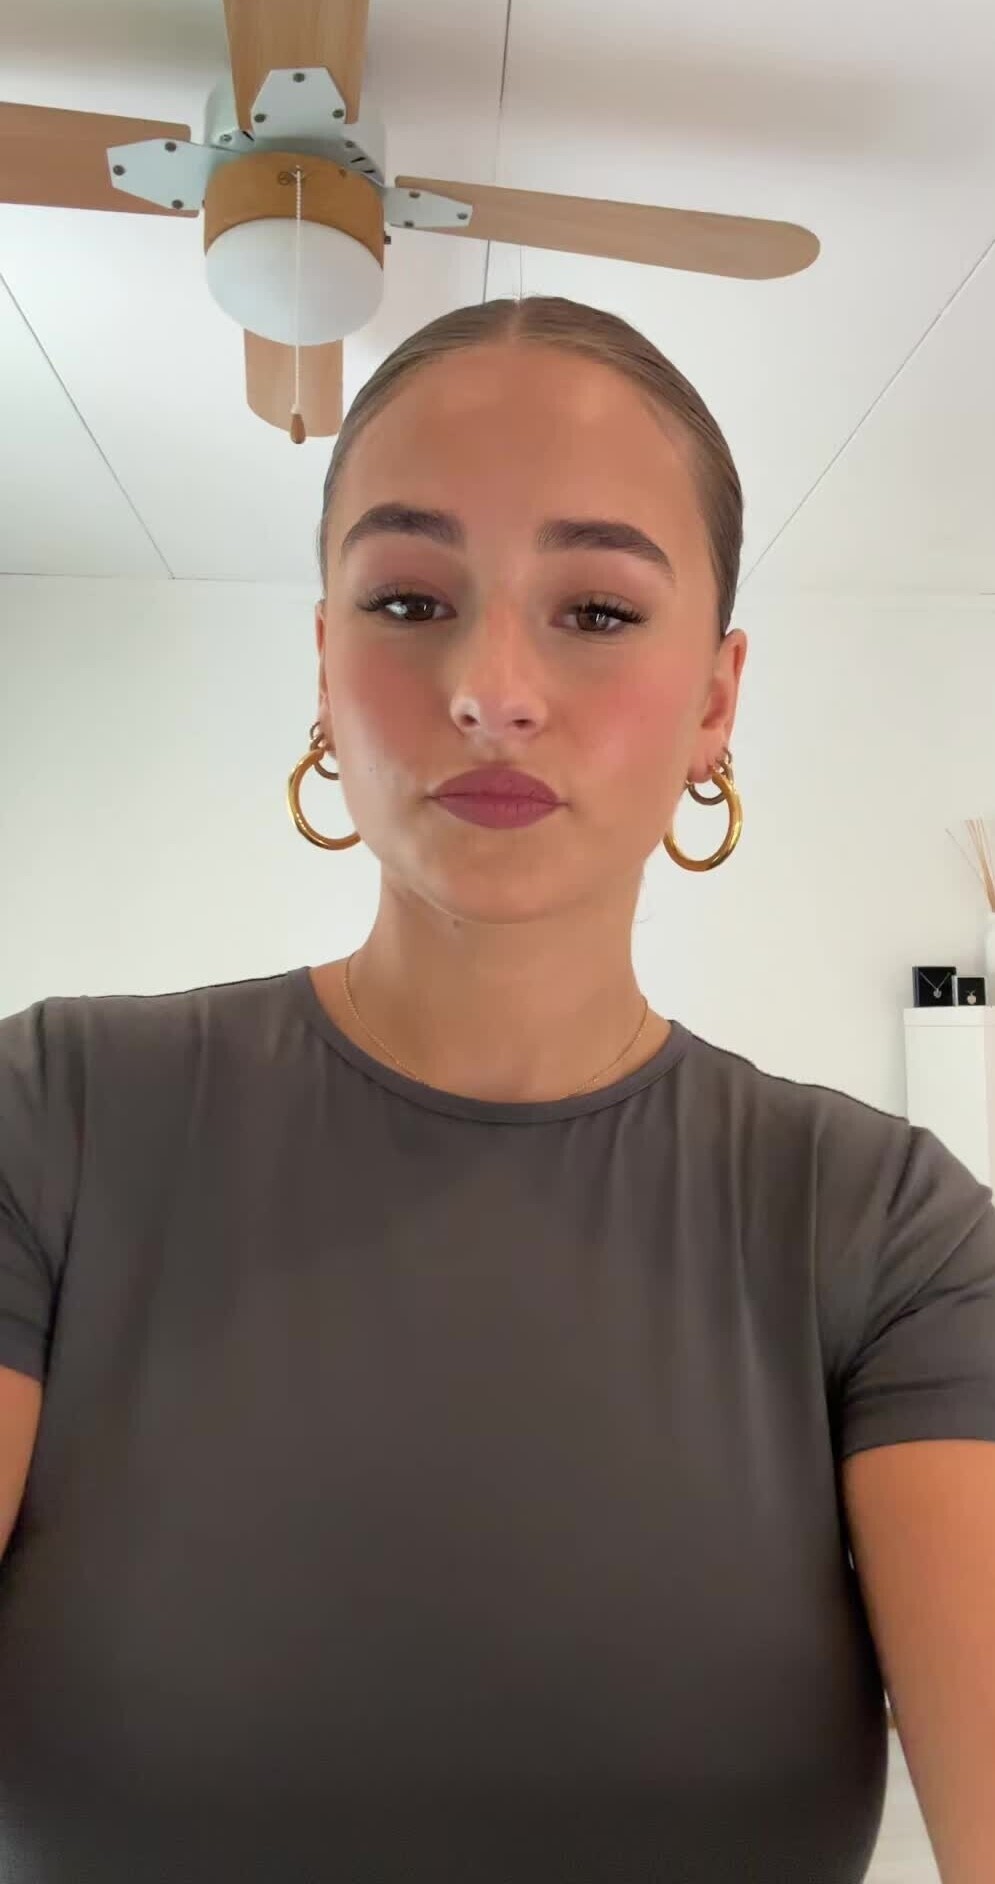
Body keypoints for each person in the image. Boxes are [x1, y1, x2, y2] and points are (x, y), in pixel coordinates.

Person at [0, 293, 993, 1883]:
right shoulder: (48, 1121)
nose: (492, 688)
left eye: (594, 610)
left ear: (717, 699)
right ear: (324, 662)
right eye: (408, 598)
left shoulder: (892, 1236)